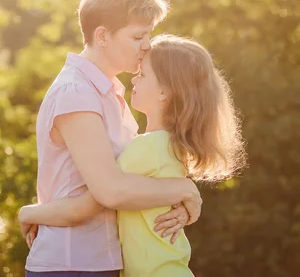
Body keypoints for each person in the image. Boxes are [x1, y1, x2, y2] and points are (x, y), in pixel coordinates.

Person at [22, 0, 203, 277]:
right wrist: (183, 189)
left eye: (148, 35)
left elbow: (133, 180)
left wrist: (184, 196)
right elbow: (111, 191)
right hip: (71, 265)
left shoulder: (112, 93)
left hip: (104, 263)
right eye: (137, 37)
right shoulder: (75, 93)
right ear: (103, 36)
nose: (146, 46)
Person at [20, 34, 246, 277]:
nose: (135, 78)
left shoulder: (145, 149)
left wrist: (29, 213)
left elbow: (102, 195)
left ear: (163, 92)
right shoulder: (169, 146)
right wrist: (185, 191)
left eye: (144, 74)